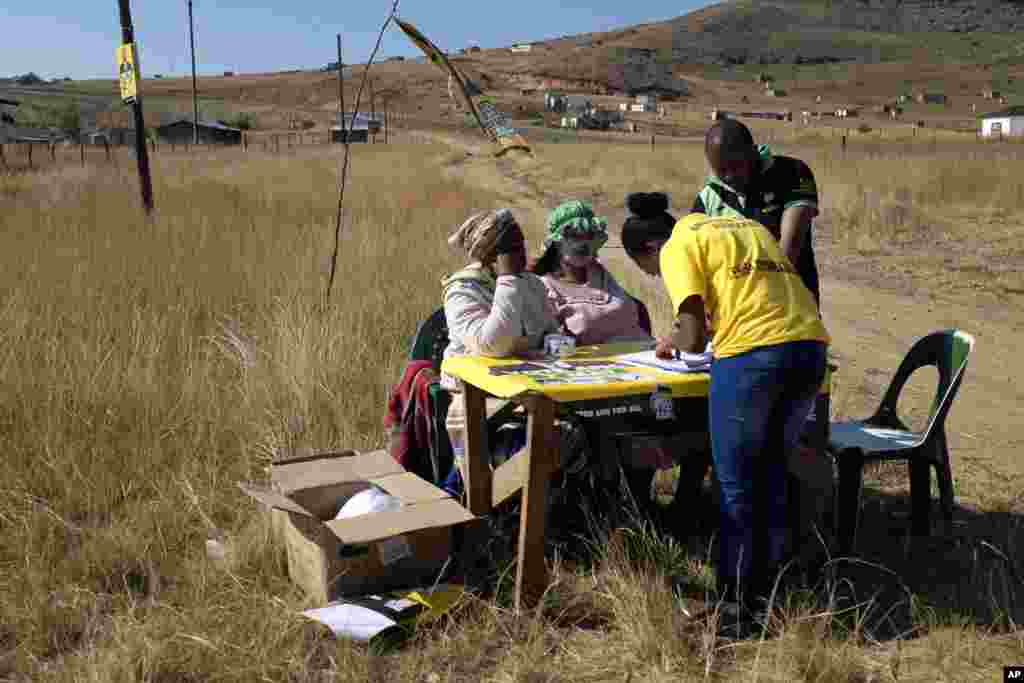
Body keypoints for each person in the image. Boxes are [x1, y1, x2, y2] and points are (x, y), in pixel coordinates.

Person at [622, 210, 830, 634]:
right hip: (808, 350)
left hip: (753, 358)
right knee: (771, 477)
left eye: (650, 270)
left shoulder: (679, 243)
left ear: (650, 250)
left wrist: (674, 338)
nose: (657, 275)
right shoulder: (743, 227)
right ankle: (769, 597)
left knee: (735, 487)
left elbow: (694, 335)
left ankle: (736, 612)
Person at [531, 199, 663, 515]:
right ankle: (613, 511)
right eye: (574, 236)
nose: (583, 243)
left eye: (589, 236)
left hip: (644, 371)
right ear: (555, 240)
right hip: (591, 387)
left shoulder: (601, 273)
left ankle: (646, 507)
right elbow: (551, 345)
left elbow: (628, 314)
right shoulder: (541, 286)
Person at [439, 209, 581, 496]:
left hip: (533, 385)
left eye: (522, 244)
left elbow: (547, 328)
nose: (522, 253)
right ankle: (476, 497)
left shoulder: (529, 283)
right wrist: (506, 281)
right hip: (480, 396)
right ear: (491, 256)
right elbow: (493, 345)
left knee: (593, 423)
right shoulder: (463, 290)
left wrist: (557, 341)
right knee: (552, 435)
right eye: (512, 248)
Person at [692, 118, 821, 308]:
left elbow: (790, 245)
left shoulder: (792, 173)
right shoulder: (708, 198)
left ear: (753, 152)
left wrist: (764, 301)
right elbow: (698, 261)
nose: (729, 177)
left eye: (735, 167)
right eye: (721, 170)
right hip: (738, 316)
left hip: (794, 304)